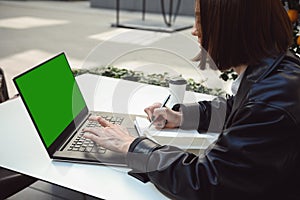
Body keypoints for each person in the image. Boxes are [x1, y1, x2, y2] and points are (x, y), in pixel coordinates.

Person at [83, 0, 300, 199]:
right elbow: (238, 108)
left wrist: (133, 146)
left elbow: (207, 182)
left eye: (200, 19)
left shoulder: (271, 102)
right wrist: (181, 116)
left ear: (231, 25)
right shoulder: (276, 72)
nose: (195, 30)